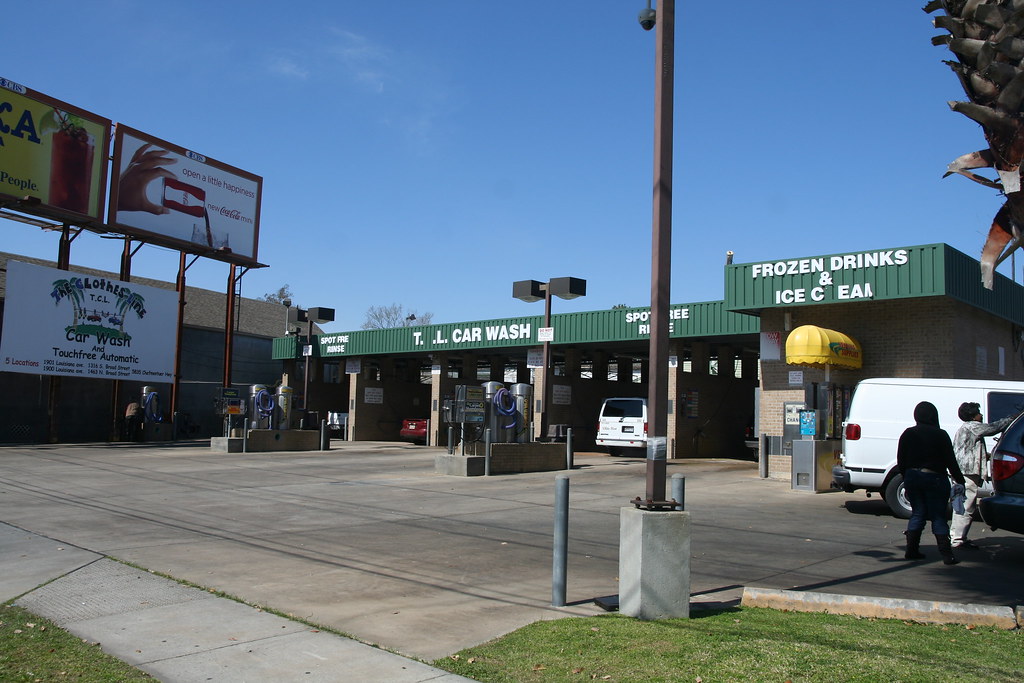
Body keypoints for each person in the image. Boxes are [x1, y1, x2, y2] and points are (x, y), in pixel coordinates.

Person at [896, 401, 965, 565]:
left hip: (913, 477)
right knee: (938, 516)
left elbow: (901, 459)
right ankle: (947, 555)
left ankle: (911, 550)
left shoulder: (908, 433)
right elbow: (950, 461)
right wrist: (959, 480)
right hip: (935, 478)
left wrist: (907, 476)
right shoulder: (940, 434)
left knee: (918, 512)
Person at [951, 402, 1018, 549]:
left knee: (960, 505)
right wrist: (1012, 418)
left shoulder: (964, 429)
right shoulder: (972, 427)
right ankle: (958, 540)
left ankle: (956, 536)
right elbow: (993, 428)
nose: (981, 415)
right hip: (968, 473)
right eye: (979, 413)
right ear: (973, 416)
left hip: (961, 471)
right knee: (967, 505)